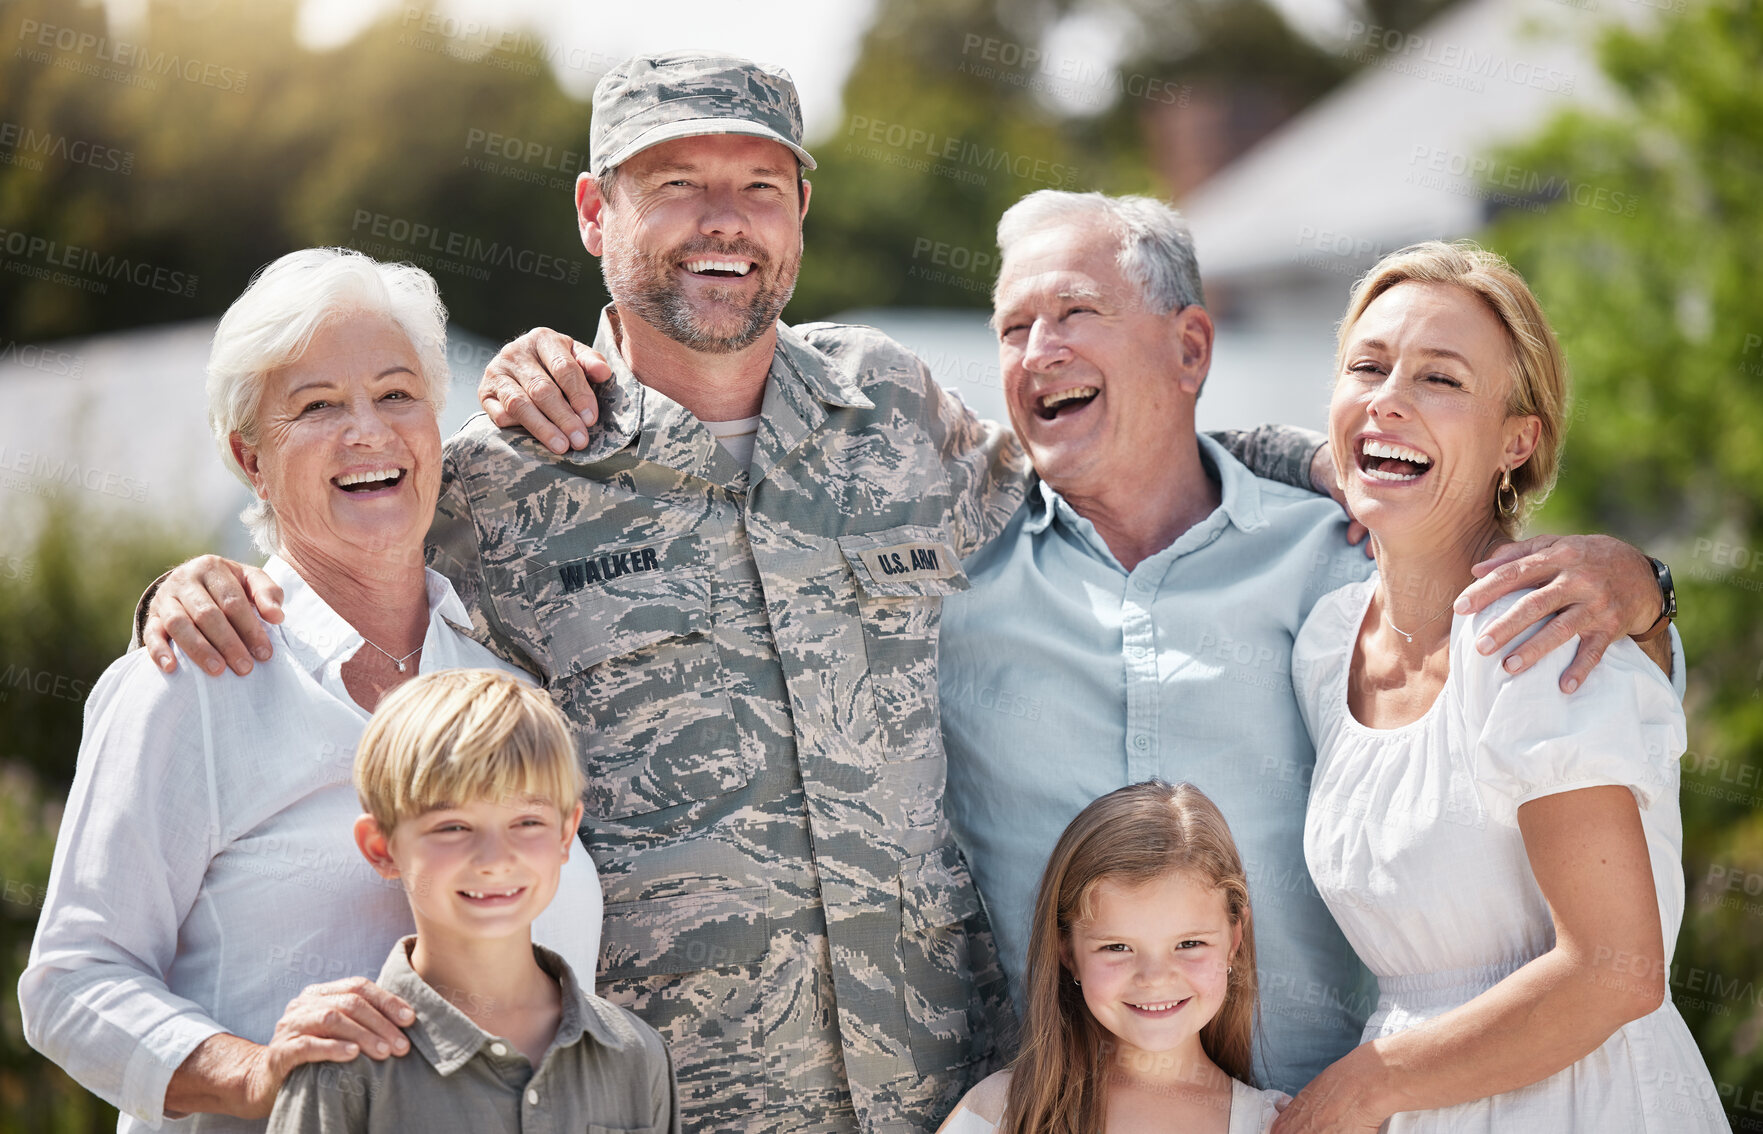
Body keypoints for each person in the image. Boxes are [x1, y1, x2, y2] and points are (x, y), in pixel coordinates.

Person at [133, 53, 1331, 1133]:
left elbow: (1114, 469)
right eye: (676, 185)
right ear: (597, 214)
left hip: (946, 1095)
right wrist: (195, 590)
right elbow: (340, 544)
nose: (725, 222)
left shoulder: (895, 411)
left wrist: (1342, 470)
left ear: (800, 213)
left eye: (759, 185)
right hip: (664, 1105)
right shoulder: (501, 486)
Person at [933, 191, 1682, 1096]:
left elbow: (1598, 705)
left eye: (1076, 312)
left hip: (1335, 1105)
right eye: (1014, 327)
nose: (1040, 349)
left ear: (1191, 349)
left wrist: (1644, 586)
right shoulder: (939, 586)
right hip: (1071, 1111)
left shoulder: (1335, 561)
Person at [19, 248, 602, 1134]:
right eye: (318, 406)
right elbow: (70, 982)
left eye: (397, 394)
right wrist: (257, 1074)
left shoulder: (504, 689)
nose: (367, 431)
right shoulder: (192, 683)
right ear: (250, 460)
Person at [1276, 241, 1723, 1131]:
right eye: (1366, 366)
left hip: (1581, 1102)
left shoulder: (1542, 635)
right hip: (1423, 1105)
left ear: (1515, 441)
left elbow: (1614, 972)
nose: (1388, 398)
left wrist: (1362, 1085)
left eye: (1439, 379)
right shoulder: (1327, 645)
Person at [266, 669, 677, 1134]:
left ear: (565, 834)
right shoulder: (340, 1064)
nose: (495, 859)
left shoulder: (636, 1054)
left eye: (527, 822)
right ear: (381, 848)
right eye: (452, 827)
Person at [940, 780, 1288, 1134]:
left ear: (1234, 940)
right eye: (1117, 947)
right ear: (1068, 952)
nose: (1154, 977)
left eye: (1188, 944)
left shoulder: (1278, 1124)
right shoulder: (1000, 1112)